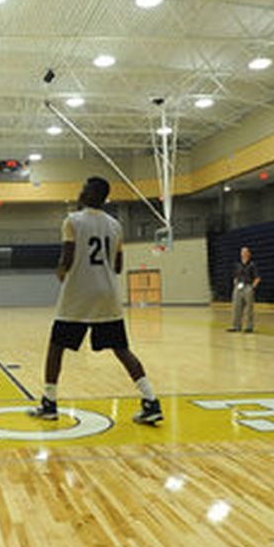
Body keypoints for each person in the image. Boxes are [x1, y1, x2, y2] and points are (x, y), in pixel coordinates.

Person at [27, 177, 162, 424]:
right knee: (122, 350)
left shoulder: (72, 221)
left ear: (91, 195)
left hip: (79, 295)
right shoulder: (115, 225)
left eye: (84, 188)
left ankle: (49, 402)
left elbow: (67, 258)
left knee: (56, 347)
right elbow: (119, 266)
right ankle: (151, 400)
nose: (80, 191)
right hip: (108, 295)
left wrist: (60, 270)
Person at [228, 246, 260, 333]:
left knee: (249, 308)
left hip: (248, 286)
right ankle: (236, 326)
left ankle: (249, 327)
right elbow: (235, 276)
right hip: (238, 287)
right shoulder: (237, 264)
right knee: (236, 307)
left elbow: (257, 278)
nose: (244, 253)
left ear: (249, 254)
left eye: (246, 252)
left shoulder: (252, 265)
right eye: (242, 252)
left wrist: (252, 287)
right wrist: (235, 283)